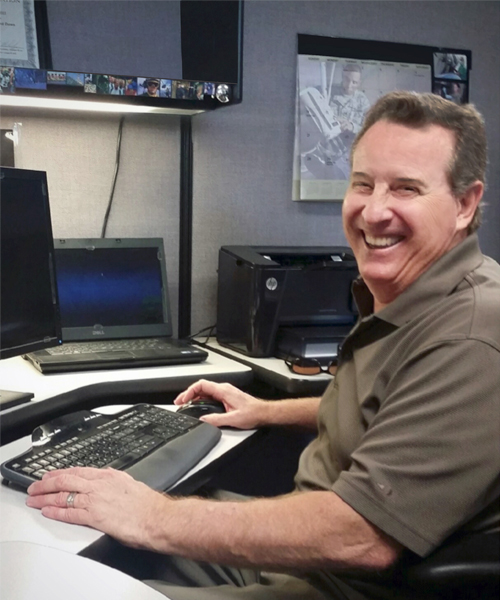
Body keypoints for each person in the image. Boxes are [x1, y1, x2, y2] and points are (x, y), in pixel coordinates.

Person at [26, 91, 500, 600]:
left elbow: (361, 536)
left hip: (336, 582)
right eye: (363, 184)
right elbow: (389, 412)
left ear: (464, 204)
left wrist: (153, 517)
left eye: (406, 188)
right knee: (68, 548)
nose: (375, 210)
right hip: (309, 563)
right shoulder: (415, 298)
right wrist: (266, 411)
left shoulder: (470, 335)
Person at [301, 63, 371, 180]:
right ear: (342, 77)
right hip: (327, 141)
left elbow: (369, 129)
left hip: (349, 143)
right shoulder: (329, 92)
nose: (349, 85)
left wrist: (352, 126)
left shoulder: (362, 100)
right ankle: (329, 167)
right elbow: (309, 96)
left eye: (354, 82)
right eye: (346, 80)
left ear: (359, 83)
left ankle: (334, 171)